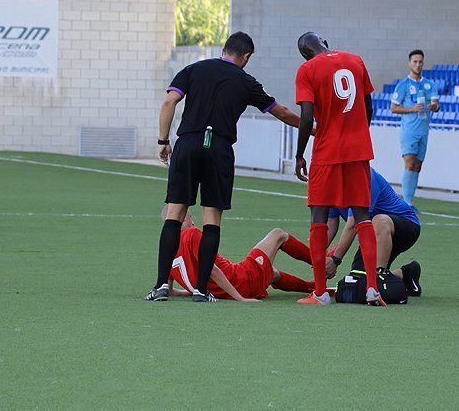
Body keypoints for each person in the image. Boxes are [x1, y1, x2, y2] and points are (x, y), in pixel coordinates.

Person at [144, 32, 302, 303]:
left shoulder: (193, 69)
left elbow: (169, 101)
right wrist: (313, 128)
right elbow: (282, 112)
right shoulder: (247, 82)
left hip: (188, 142)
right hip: (218, 148)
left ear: (225, 49)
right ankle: (201, 290)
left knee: (174, 214)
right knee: (211, 219)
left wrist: (163, 141)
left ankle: (160, 285)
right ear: (246, 56)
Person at [294, 32, 384, 306]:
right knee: (362, 215)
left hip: (327, 150)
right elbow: (369, 107)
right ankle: (372, 289)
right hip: (358, 150)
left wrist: (299, 154)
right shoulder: (355, 61)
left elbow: (307, 116)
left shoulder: (307, 70)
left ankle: (320, 292)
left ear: (305, 54)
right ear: (325, 42)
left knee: (319, 216)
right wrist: (356, 133)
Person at [325, 167, 423, 298]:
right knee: (359, 279)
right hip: (373, 234)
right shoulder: (330, 180)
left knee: (379, 220)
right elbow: (330, 223)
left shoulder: (364, 176)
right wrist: (316, 256)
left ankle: (379, 277)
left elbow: (353, 224)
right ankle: (406, 273)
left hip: (406, 226)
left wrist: (335, 260)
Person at [168, 216, 316, 302]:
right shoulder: (191, 233)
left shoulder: (167, 249)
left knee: (271, 273)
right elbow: (212, 269)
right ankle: (322, 264)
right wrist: (240, 298)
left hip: (234, 287)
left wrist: (192, 290)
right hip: (243, 279)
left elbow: (170, 291)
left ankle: (313, 287)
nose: (193, 222)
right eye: (189, 217)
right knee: (278, 234)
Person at [390, 50, 439, 204]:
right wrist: (412, 109)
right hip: (409, 131)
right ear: (409, 63)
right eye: (415, 62)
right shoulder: (403, 85)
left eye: (420, 62)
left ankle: (409, 200)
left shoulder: (429, 85)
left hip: (424, 130)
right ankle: (406, 203)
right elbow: (393, 108)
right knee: (410, 162)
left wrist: (433, 107)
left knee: (417, 165)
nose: (418, 65)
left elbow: (436, 105)